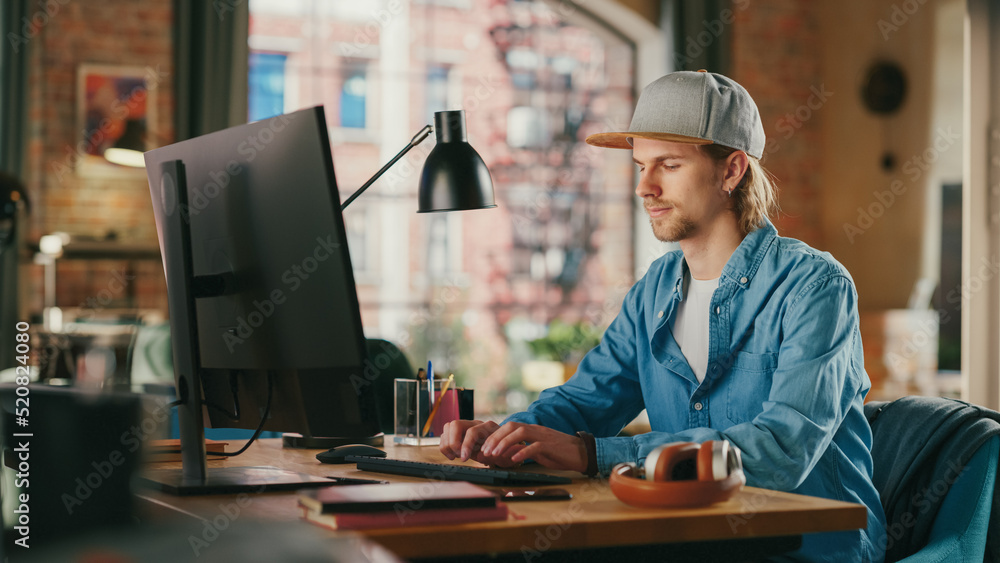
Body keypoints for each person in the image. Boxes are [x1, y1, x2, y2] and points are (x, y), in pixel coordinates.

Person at [440, 70, 886, 562]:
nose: (644, 188)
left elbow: (778, 453)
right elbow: (586, 402)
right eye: (639, 166)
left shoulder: (814, 287)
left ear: (731, 171)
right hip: (690, 542)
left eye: (668, 165)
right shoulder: (653, 290)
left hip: (807, 551)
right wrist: (504, 437)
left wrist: (593, 455)